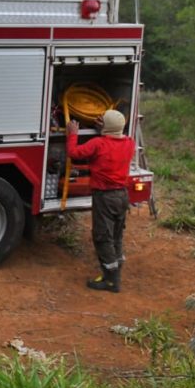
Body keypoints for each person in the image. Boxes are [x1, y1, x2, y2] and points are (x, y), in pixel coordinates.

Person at [66, 109, 136, 293]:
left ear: (106, 127)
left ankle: (111, 280)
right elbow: (113, 139)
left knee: (102, 237)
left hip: (105, 197)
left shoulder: (98, 144)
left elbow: (73, 153)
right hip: (122, 196)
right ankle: (116, 267)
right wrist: (104, 128)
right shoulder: (129, 143)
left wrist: (73, 133)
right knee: (116, 235)